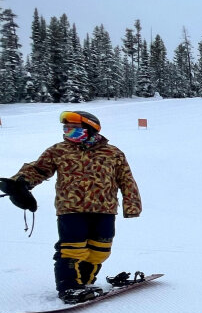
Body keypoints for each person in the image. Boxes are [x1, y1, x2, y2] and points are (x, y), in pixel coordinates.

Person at [3, 110, 141, 303]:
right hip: (71, 209)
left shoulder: (113, 153)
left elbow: (126, 180)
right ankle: (68, 287)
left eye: (74, 128)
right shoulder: (59, 150)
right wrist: (20, 183)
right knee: (72, 249)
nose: (68, 131)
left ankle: (84, 281)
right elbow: (38, 169)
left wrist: (131, 204)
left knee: (101, 250)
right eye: (66, 128)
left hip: (105, 209)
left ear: (90, 128)